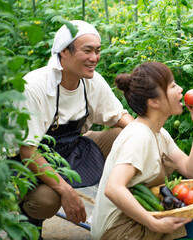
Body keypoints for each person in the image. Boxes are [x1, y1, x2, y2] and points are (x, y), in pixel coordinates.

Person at [15, 20, 134, 239]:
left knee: (126, 137)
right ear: (63, 53)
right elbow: (28, 152)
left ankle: (130, 211)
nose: (94, 58)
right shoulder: (34, 88)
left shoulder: (92, 81)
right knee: (47, 200)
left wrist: (146, 135)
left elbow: (118, 116)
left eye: (97, 51)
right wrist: (66, 190)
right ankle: (27, 227)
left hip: (70, 151)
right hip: (26, 164)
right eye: (87, 51)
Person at [91, 61, 193, 240]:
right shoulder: (139, 135)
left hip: (136, 218)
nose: (180, 89)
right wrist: (153, 223)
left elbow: (191, 171)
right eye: (172, 86)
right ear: (154, 101)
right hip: (119, 230)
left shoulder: (158, 133)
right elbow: (113, 188)